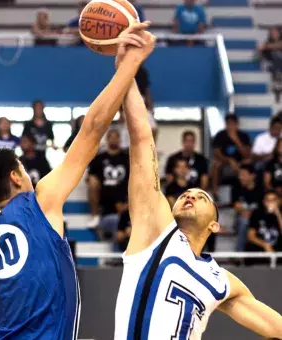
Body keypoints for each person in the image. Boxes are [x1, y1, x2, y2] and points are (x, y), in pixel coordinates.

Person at [0, 22, 156, 339]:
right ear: (16, 177)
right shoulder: (40, 202)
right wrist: (130, 65)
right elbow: (93, 128)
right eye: (23, 169)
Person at [113, 35, 282, 338]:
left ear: (216, 225)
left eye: (202, 196)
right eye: (185, 194)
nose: (190, 194)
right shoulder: (154, 232)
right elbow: (141, 141)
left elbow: (276, 327)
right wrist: (128, 69)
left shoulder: (221, 281)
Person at [87, 129, 129, 235]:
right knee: (92, 181)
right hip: (105, 196)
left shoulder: (126, 158)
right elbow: (89, 176)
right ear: (107, 139)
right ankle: (95, 215)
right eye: (112, 137)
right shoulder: (100, 158)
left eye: (116, 137)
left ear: (120, 140)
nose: (114, 140)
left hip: (124, 197)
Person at [210, 114, 251, 198]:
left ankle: (244, 193)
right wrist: (229, 160)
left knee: (247, 165)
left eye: (232, 124)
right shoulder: (220, 135)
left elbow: (247, 155)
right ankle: (215, 192)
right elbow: (216, 153)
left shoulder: (243, 136)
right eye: (228, 124)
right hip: (224, 161)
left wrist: (237, 141)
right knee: (216, 165)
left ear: (237, 124)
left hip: (240, 162)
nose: (230, 126)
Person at [232, 164, 262, 251]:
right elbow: (237, 206)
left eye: (244, 174)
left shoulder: (260, 190)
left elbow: (262, 209)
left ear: (252, 176)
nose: (241, 177)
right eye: (240, 175)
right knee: (244, 221)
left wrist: (251, 213)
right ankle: (239, 254)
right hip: (240, 219)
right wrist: (245, 211)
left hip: (257, 220)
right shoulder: (237, 188)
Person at [247, 190, 282, 263]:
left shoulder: (280, 214)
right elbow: (250, 236)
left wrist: (278, 214)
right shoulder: (257, 213)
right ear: (264, 202)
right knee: (250, 247)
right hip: (261, 246)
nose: (270, 203)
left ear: (279, 201)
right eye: (268, 200)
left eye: (273, 200)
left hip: (277, 248)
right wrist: (265, 245)